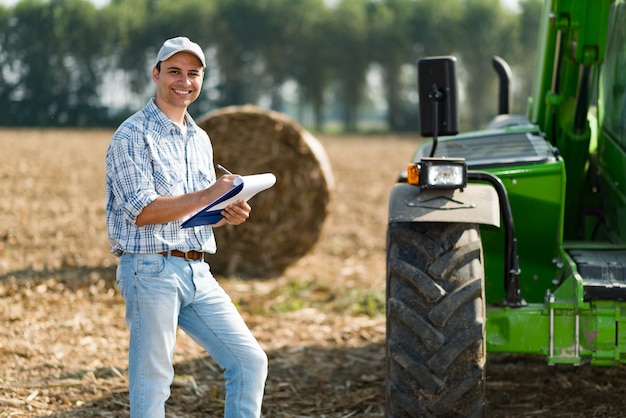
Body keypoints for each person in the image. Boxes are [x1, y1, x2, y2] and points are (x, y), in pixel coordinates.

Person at [105, 36, 268, 418]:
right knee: (153, 384)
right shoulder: (132, 135)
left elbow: (193, 208)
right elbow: (141, 210)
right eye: (174, 71)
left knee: (250, 362)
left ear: (201, 79)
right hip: (150, 270)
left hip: (198, 269)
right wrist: (211, 190)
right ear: (156, 74)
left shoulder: (200, 139)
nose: (184, 81)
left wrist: (227, 210)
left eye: (193, 74)